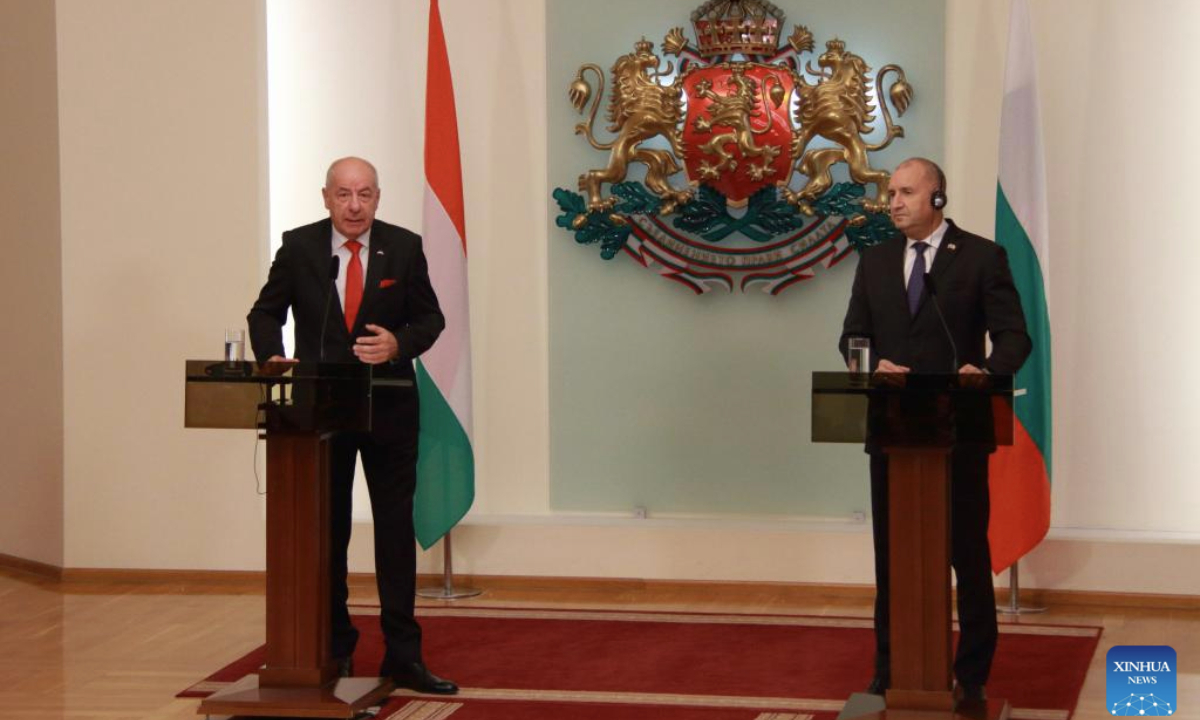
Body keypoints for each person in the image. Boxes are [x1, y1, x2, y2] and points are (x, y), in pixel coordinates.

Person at [247, 156, 456, 695]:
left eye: (365, 194)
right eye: (344, 194)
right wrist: (272, 356)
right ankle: (335, 647)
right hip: (321, 413)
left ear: (378, 198)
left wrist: (398, 343)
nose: (355, 206)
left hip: (390, 409)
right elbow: (265, 314)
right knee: (329, 532)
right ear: (326, 197)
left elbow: (430, 318)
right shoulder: (299, 247)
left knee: (393, 533)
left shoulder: (403, 247)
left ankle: (403, 656)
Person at [839, 157, 1031, 701]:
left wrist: (987, 371)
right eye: (890, 194)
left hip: (959, 431)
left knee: (966, 556)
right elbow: (852, 338)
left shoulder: (980, 257)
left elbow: (1014, 337)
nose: (894, 203)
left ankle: (971, 676)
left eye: (905, 192)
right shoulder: (876, 260)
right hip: (894, 434)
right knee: (893, 556)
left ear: (937, 198)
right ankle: (891, 668)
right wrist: (870, 365)